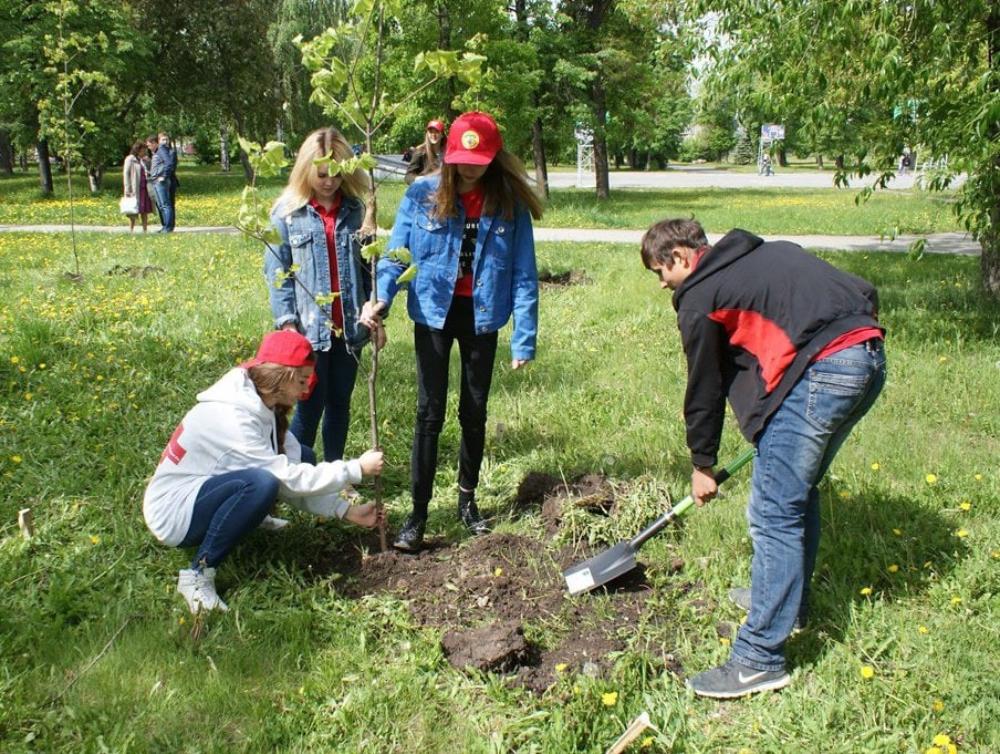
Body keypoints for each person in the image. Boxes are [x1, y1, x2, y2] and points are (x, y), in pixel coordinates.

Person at [640, 218, 886, 699]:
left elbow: (704, 385)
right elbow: (861, 290)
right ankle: (788, 607)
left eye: (659, 272)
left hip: (822, 374)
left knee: (774, 513)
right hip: (869, 358)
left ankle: (758, 660)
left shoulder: (699, 295)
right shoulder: (766, 253)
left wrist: (701, 464)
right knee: (797, 493)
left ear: (682, 258)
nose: (662, 284)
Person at [361, 111, 543, 552]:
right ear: (449, 154)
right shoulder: (422, 194)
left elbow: (523, 273)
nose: (470, 167)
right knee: (429, 412)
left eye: (479, 159)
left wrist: (524, 336)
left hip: (483, 316)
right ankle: (417, 514)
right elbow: (395, 255)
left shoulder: (510, 205)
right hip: (433, 313)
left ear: (495, 156)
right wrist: (381, 296)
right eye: (463, 158)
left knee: (474, 410)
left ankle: (467, 500)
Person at [143, 330, 386, 614]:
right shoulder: (234, 419)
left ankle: (249, 516)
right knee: (261, 483)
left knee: (302, 456)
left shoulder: (261, 402)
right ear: (282, 378)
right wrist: (355, 469)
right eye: (302, 380)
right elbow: (288, 479)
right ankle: (198, 574)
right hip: (174, 515)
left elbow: (294, 470)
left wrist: (345, 510)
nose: (307, 390)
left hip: (202, 491)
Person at [265, 127, 384, 464]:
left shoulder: (356, 211)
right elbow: (278, 273)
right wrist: (288, 324)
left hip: (348, 329)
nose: (329, 181)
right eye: (320, 174)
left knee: (339, 403)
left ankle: (334, 474)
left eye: (335, 173)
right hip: (308, 332)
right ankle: (297, 477)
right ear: (306, 170)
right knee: (308, 406)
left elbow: (368, 268)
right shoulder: (288, 213)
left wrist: (376, 315)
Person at [122, 141, 154, 232]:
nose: (144, 152)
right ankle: (131, 230)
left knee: (144, 210)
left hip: (145, 188)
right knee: (133, 209)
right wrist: (127, 189)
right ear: (137, 150)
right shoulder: (130, 159)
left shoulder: (143, 160)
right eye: (143, 150)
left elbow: (149, 171)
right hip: (135, 188)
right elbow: (126, 174)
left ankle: (145, 230)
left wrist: (148, 161)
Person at [149, 131, 178, 232]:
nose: (165, 142)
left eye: (166, 139)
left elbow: (170, 165)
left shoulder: (167, 151)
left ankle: (168, 227)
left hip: (166, 181)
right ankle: (165, 226)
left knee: (167, 204)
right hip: (160, 180)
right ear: (158, 141)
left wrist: (164, 176)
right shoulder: (159, 151)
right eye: (163, 140)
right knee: (162, 204)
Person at [404, 119, 445, 184]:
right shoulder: (420, 152)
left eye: (436, 132)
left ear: (442, 134)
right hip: (425, 189)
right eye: (431, 132)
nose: (433, 135)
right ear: (427, 134)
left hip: (443, 189)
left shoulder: (448, 153)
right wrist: (420, 179)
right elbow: (408, 176)